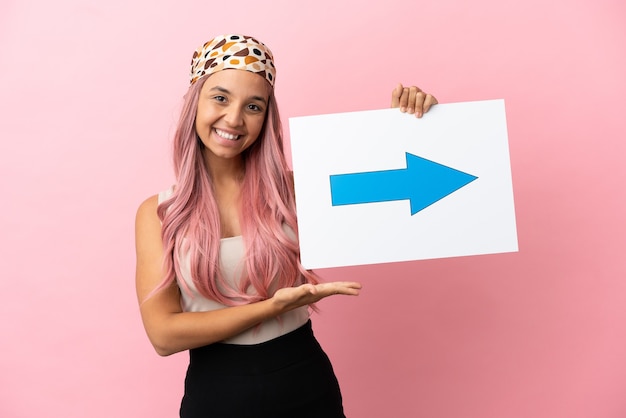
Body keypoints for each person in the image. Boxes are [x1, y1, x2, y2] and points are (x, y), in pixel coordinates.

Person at [135, 34, 437, 418]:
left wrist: (410, 125)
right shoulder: (159, 213)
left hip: (305, 387)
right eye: (220, 98)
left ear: (266, 118)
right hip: (215, 396)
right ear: (194, 102)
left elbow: (390, 188)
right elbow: (163, 335)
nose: (234, 119)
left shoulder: (296, 191)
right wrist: (271, 307)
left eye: (254, 106)